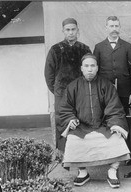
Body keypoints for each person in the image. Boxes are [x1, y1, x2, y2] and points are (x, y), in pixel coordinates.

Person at [59, 54, 131, 189]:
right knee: (74, 140)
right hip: (82, 127)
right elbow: (65, 109)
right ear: (81, 68)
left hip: (103, 125)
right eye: (86, 66)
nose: (90, 69)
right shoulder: (72, 87)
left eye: (92, 66)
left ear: (97, 68)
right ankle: (82, 171)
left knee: (117, 137)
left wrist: (114, 124)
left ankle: (112, 171)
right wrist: (71, 120)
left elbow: (114, 107)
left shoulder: (106, 85)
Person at [44, 18, 91, 152]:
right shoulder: (55, 49)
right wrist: (58, 90)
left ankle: (81, 152)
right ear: (63, 31)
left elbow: (89, 70)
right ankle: (62, 153)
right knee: (62, 122)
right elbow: (49, 75)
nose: (71, 33)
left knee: (81, 121)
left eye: (73, 29)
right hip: (62, 94)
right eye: (67, 30)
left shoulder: (84, 49)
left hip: (81, 94)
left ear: (77, 30)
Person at [93, 16, 131, 114]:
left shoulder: (127, 46)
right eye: (111, 26)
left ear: (120, 27)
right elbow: (95, 71)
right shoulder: (99, 47)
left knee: (125, 116)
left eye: (116, 26)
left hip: (125, 92)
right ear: (106, 28)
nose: (114, 29)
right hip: (105, 91)